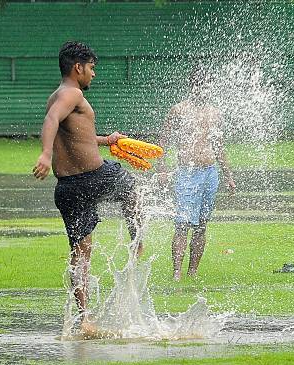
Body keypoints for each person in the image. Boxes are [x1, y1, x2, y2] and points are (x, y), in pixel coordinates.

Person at [32, 41, 143, 333]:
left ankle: (85, 320)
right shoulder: (72, 93)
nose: (93, 74)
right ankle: (137, 241)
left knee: (80, 253)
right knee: (132, 187)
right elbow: (51, 120)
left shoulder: (58, 95)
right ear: (77, 67)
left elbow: (74, 135)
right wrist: (44, 154)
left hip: (68, 187)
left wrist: (105, 141)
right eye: (91, 68)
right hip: (93, 177)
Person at [156, 66, 236, 281]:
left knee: (201, 224)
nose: (203, 89)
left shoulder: (214, 112)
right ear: (192, 86)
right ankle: (177, 272)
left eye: (207, 85)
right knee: (183, 223)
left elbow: (219, 146)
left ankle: (192, 272)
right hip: (187, 172)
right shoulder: (178, 110)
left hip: (210, 172)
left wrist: (228, 175)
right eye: (199, 84)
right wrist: (162, 170)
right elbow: (163, 141)